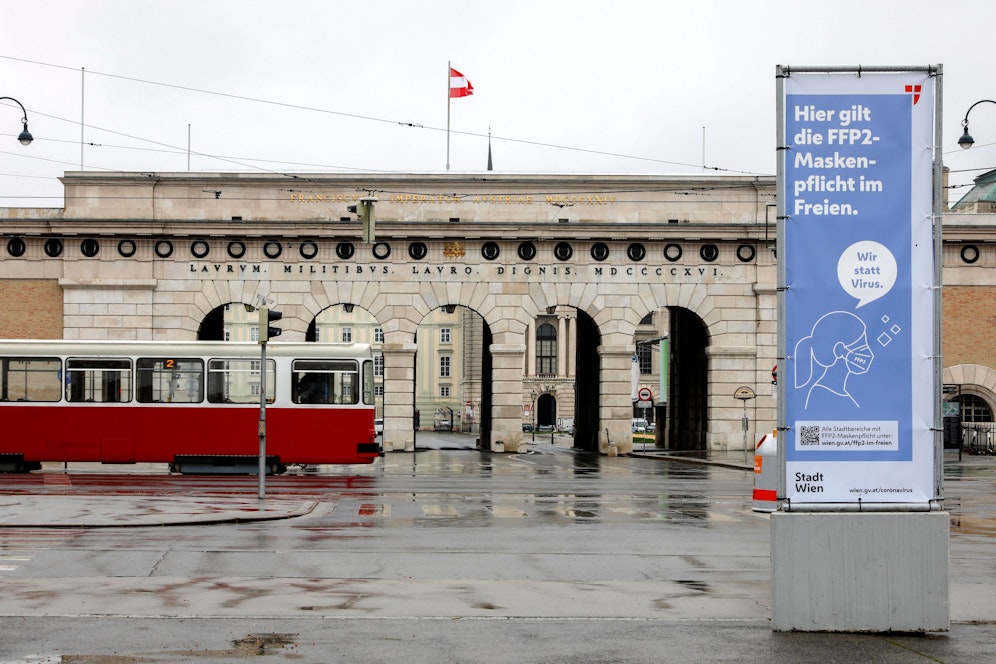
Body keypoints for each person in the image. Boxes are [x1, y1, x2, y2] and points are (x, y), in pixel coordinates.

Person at [794, 310, 874, 409]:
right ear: (839, 350)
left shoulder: (838, 393)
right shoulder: (822, 395)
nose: (867, 351)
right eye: (861, 345)